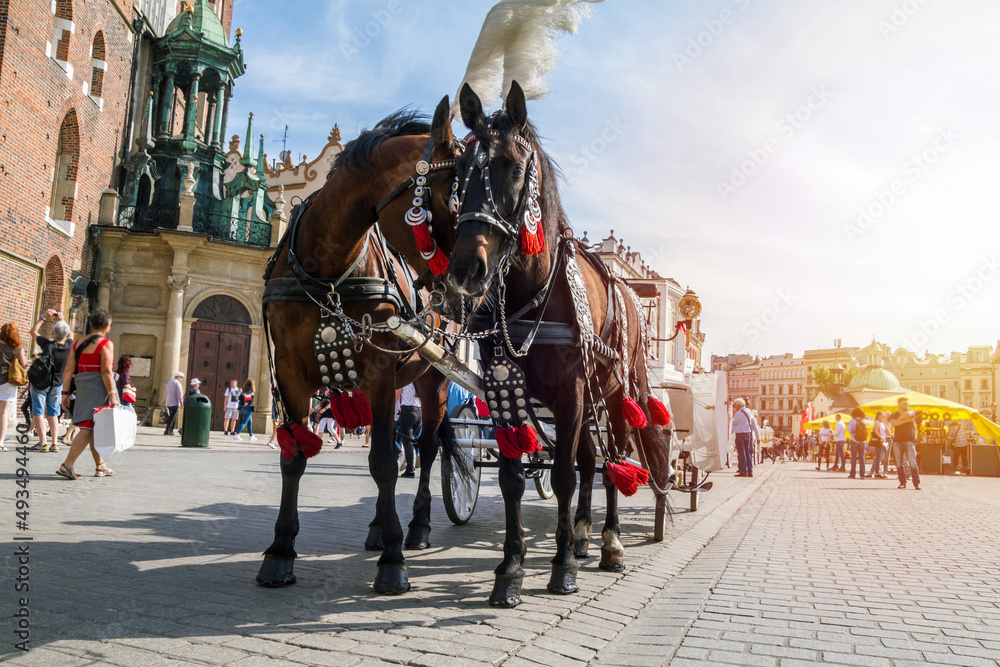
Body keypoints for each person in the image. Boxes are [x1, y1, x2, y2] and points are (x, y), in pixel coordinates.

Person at [55, 309, 118, 479]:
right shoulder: (106, 343)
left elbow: (68, 370)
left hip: (82, 386)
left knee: (91, 427)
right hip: (99, 388)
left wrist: (65, 393)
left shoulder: (78, 343)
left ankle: (100, 466)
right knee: (88, 428)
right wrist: (112, 394)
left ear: (90, 324)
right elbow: (106, 371)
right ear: (107, 325)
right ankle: (67, 465)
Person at [28, 310, 73, 452]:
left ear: (53, 333)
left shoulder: (47, 345)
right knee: (53, 413)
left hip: (41, 382)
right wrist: (62, 319)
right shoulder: (68, 346)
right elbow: (69, 334)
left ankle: (43, 443)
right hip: (57, 384)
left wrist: (44, 317)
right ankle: (54, 443)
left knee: (38, 411)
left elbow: (33, 331)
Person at [0, 321, 29, 449]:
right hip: (9, 382)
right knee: (3, 413)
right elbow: (24, 364)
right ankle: (0, 443)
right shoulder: (17, 348)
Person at [890, 396, 920, 490]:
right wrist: (906, 420)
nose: (906, 405)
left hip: (909, 441)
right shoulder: (893, 414)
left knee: (912, 463)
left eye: (907, 403)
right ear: (899, 404)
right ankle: (902, 482)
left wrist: (899, 420)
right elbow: (894, 423)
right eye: (904, 404)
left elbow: (901, 419)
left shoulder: (912, 412)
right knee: (899, 463)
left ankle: (916, 483)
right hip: (897, 441)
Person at [730, 398, 759, 478]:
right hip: (748, 434)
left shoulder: (739, 413)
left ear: (738, 405)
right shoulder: (748, 411)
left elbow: (734, 422)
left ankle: (743, 471)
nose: (734, 408)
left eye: (735, 406)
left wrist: (731, 420)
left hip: (740, 435)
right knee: (748, 453)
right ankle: (750, 471)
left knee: (741, 453)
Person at [396, 383, 421, 478]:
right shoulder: (418, 382)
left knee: (407, 443)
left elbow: (396, 396)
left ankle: (410, 469)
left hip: (407, 411)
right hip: (419, 412)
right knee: (411, 441)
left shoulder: (405, 381)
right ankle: (412, 461)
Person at [847, 408, 869, 479]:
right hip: (863, 441)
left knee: (853, 458)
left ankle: (852, 474)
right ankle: (862, 474)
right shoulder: (864, 421)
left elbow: (849, 431)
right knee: (862, 458)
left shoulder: (852, 421)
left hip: (854, 441)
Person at [868, 411, 890, 479]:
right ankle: (876, 473)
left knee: (879, 457)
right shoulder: (877, 422)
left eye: (883, 416)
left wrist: (884, 422)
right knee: (878, 457)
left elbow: (888, 431)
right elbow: (876, 431)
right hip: (879, 441)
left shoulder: (881, 423)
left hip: (882, 441)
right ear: (878, 416)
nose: (882, 417)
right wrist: (882, 438)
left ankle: (876, 472)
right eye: (881, 416)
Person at [163, 371, 184, 435]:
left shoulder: (169, 382)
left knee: (170, 417)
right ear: (178, 377)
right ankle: (169, 430)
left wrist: (164, 401)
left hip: (168, 401)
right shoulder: (177, 383)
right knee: (173, 417)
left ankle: (167, 430)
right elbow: (179, 394)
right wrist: (182, 403)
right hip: (174, 402)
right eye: (181, 378)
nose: (181, 379)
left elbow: (166, 393)